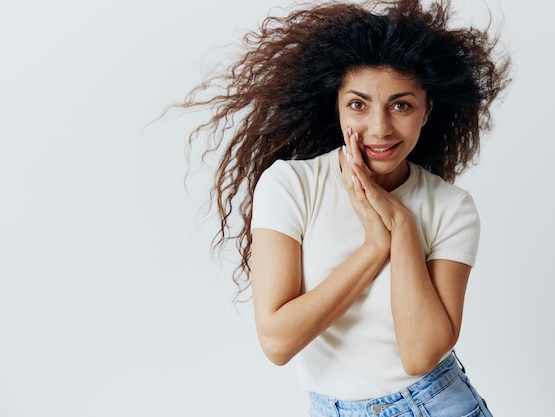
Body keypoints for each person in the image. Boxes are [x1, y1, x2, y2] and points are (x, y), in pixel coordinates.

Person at [183, 0, 510, 415]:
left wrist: (403, 227)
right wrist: (375, 246)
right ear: (335, 104)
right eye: (359, 104)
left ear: (427, 110)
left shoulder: (451, 207)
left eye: (401, 105)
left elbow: (419, 355)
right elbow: (278, 342)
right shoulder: (292, 186)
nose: (380, 127)